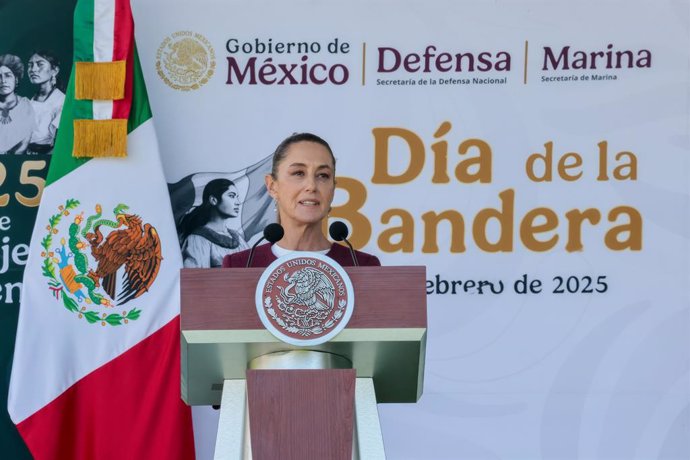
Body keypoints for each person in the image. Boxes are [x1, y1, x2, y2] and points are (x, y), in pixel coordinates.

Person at [223, 132, 380, 268]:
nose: (311, 186)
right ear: (272, 186)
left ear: (333, 189)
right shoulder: (241, 265)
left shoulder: (362, 265)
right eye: (298, 173)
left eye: (323, 175)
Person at [181, 178, 249, 267]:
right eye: (231, 196)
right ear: (213, 200)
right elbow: (196, 278)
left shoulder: (238, 238)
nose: (238, 202)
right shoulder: (198, 239)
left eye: (237, 197)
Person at [27, 51, 65, 154]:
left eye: (40, 64)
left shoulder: (61, 101)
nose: (33, 69)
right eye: (30, 65)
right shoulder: (29, 100)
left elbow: (62, 144)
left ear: (54, 71)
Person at [0, 54, 35, 154]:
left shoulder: (25, 105)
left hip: (16, 162)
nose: (3, 81)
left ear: (16, 79)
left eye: (8, 75)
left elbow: (24, 142)